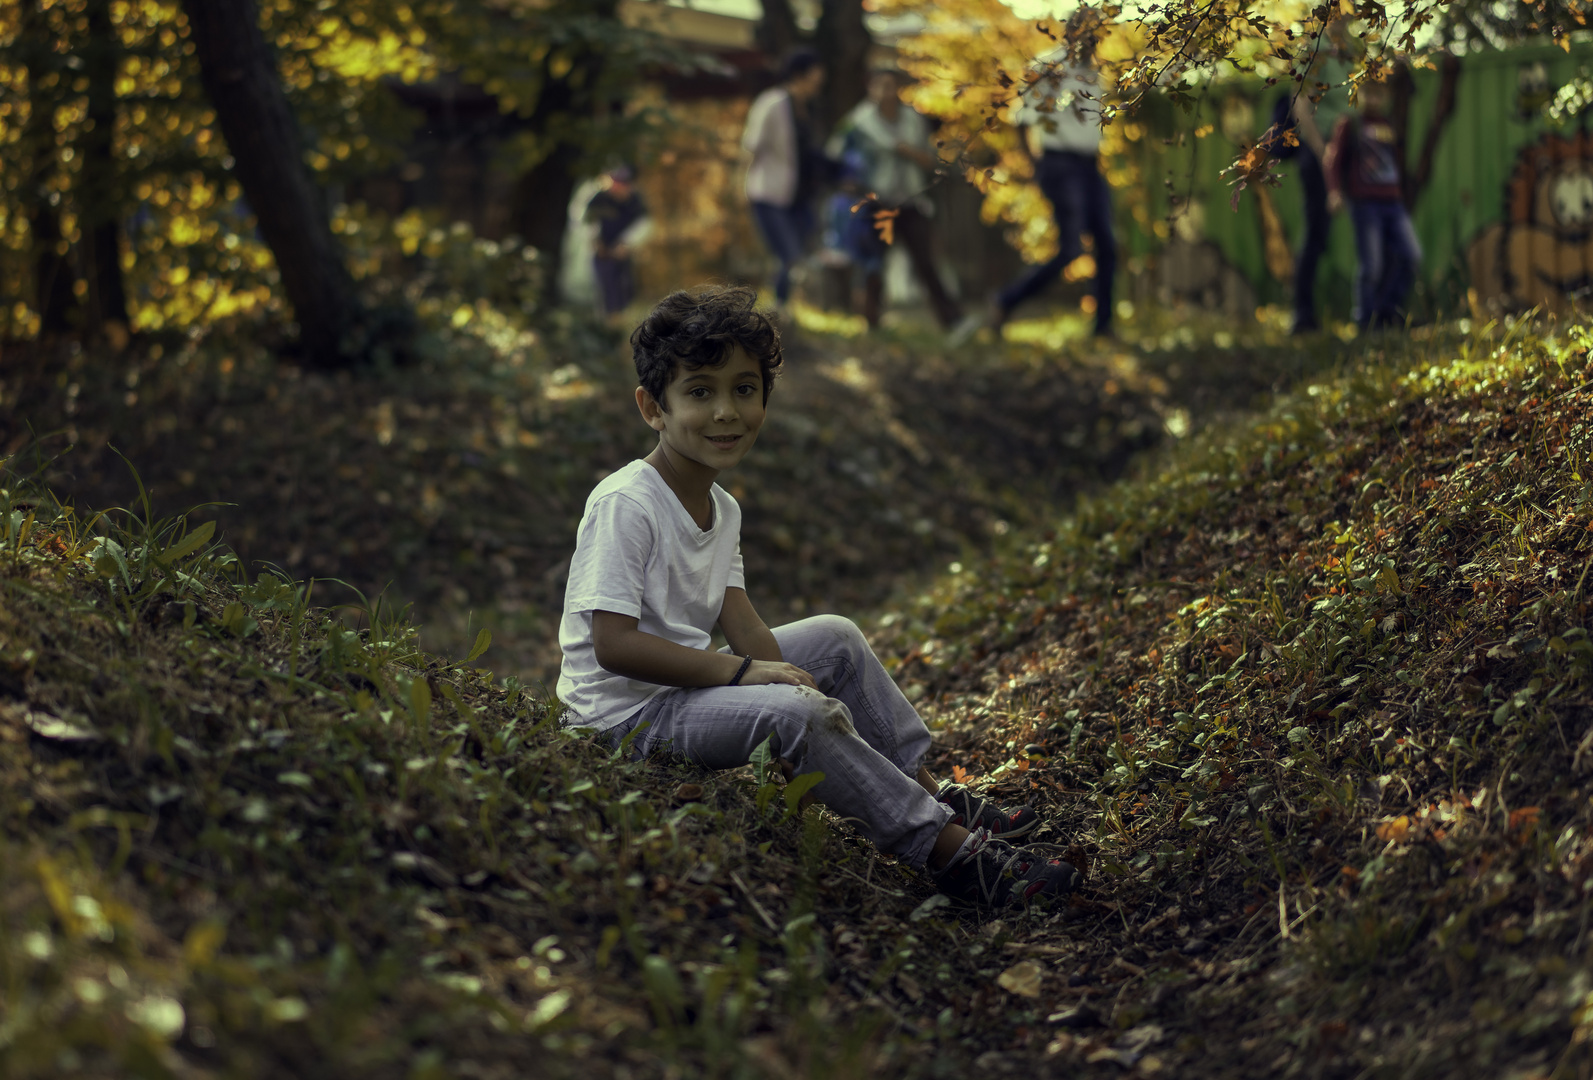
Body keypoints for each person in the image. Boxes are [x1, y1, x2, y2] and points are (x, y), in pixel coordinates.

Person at [555, 285, 1079, 908]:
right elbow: (613, 647)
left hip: (685, 691)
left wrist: (779, 674)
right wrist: (752, 679)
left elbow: (738, 614)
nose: (726, 411)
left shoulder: (721, 507)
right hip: (624, 721)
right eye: (700, 391)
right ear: (653, 408)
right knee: (799, 717)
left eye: (744, 389)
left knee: (834, 636)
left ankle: (934, 794)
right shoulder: (626, 503)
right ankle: (952, 855)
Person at [952, 15, 1116, 343]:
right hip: (1059, 163)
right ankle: (1004, 301)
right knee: (1070, 250)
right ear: (1069, 34)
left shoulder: (1095, 72)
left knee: (1108, 247)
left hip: (1090, 167)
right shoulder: (1047, 67)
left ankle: (1103, 328)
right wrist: (1037, 168)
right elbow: (1021, 121)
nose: (1090, 39)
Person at [828, 69, 963, 330]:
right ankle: (871, 322)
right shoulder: (858, 122)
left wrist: (908, 152)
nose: (884, 92)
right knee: (873, 264)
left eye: (889, 86)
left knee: (925, 262)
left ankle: (953, 321)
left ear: (898, 88)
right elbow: (836, 156)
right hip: (875, 202)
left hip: (910, 200)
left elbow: (928, 159)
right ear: (869, 88)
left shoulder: (913, 120)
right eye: (878, 86)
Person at [1324, 78, 1421, 329]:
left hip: (1393, 202)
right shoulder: (1351, 123)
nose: (1374, 99)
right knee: (1372, 265)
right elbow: (1332, 160)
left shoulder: (1389, 125)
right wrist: (1334, 192)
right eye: (1368, 93)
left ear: (1387, 95)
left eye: (1379, 94)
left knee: (1410, 256)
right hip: (1365, 204)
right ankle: (1365, 320)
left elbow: (1396, 162)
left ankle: (1388, 311)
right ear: (1358, 94)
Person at [742, 51, 826, 306]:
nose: (819, 83)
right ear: (799, 75)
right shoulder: (772, 103)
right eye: (814, 77)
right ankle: (778, 310)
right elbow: (750, 146)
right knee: (790, 255)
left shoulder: (805, 109)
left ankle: (780, 311)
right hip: (768, 192)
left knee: (795, 255)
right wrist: (741, 185)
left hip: (797, 196)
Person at [585, 165, 649, 317]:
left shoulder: (635, 201)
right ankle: (605, 322)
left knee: (626, 289)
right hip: (601, 253)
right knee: (603, 289)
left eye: (623, 183)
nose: (618, 187)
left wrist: (626, 243)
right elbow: (587, 222)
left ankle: (622, 320)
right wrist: (595, 240)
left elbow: (644, 225)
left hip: (624, 254)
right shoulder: (599, 198)